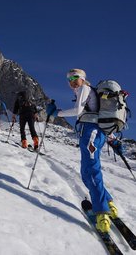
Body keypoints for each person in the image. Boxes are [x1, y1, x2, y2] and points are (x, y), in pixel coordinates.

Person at [46, 68, 118, 234]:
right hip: (90, 133)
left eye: (75, 77)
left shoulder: (85, 88)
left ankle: (102, 214)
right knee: (86, 174)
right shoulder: (83, 91)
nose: (71, 81)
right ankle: (109, 204)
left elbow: (78, 111)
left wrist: (57, 113)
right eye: (69, 78)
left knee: (92, 171)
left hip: (92, 133)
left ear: (83, 78)